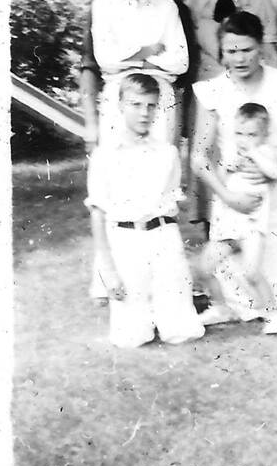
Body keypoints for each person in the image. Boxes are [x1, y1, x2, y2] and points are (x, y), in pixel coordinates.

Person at [191, 11, 277, 324]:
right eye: (232, 51)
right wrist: (227, 196)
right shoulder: (211, 90)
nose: (239, 59)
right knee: (239, 290)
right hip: (235, 198)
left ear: (261, 47)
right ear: (222, 52)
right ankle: (228, 301)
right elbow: (198, 156)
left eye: (247, 49)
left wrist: (273, 168)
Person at [84, 73, 207, 348]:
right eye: (136, 104)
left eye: (151, 106)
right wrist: (108, 271)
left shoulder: (167, 153)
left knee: (181, 332)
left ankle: (173, 305)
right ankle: (140, 312)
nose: (144, 113)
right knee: (132, 338)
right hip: (126, 241)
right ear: (120, 105)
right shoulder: (105, 156)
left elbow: (170, 207)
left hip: (163, 237)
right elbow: (98, 213)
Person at [84, 0, 189, 148]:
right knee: (119, 169)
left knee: (160, 170)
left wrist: (130, 57)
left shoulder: (167, 7)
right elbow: (106, 59)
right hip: (118, 96)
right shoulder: (103, 5)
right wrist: (148, 52)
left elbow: (180, 63)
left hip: (160, 97)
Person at [202, 102, 277, 335]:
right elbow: (220, 181)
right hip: (226, 225)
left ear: (264, 135)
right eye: (239, 133)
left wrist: (255, 153)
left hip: (250, 226)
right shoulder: (231, 154)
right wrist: (227, 168)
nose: (244, 139)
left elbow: (275, 172)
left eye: (251, 134)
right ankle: (219, 307)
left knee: (251, 272)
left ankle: (273, 313)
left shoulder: (265, 153)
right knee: (205, 266)